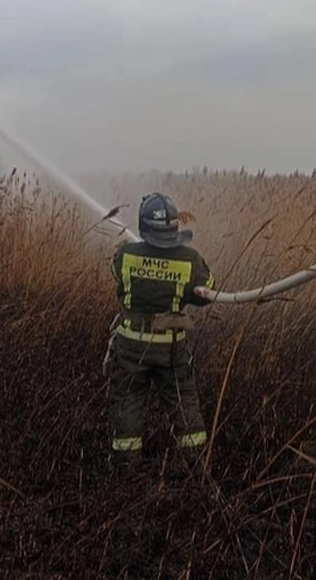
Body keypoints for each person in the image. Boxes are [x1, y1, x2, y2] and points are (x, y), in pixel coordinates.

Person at [105, 192, 214, 475]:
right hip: (171, 349)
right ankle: (197, 468)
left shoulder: (125, 255)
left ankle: (126, 471)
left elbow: (116, 274)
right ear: (175, 226)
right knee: (183, 401)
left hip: (131, 346)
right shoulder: (190, 259)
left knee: (127, 401)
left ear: (143, 225)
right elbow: (206, 293)